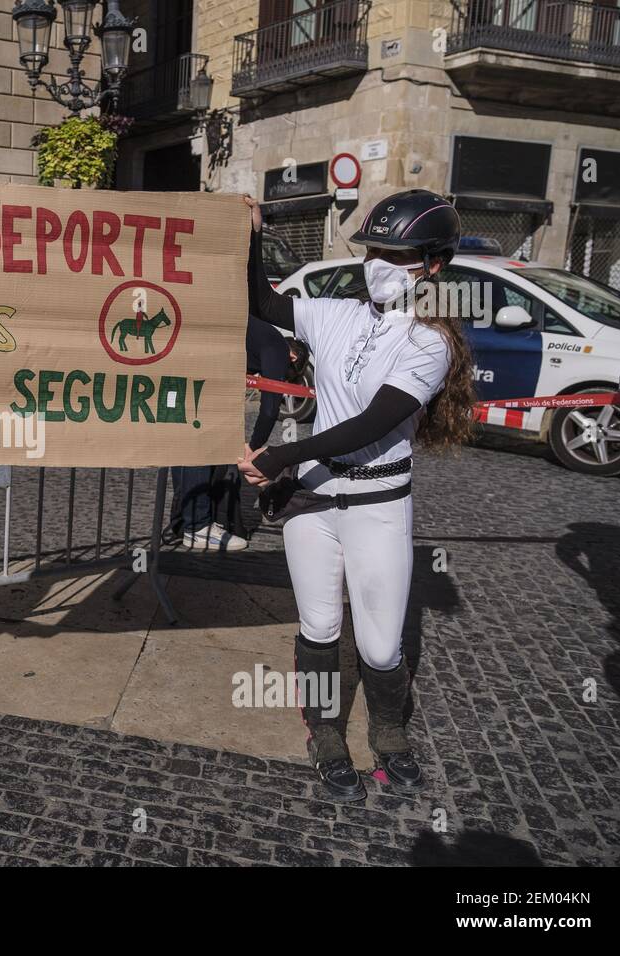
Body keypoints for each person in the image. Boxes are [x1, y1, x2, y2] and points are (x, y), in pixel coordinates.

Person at [237, 189, 475, 802]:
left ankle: (390, 732)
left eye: (395, 255)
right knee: (318, 626)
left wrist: (281, 455)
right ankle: (324, 732)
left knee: (380, 642)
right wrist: (251, 235)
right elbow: (263, 302)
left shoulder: (430, 341)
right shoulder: (336, 312)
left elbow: (374, 421)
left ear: (433, 267)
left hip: (377, 504)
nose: (377, 264)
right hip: (313, 501)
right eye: (373, 250)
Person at [172, 316, 290, 551]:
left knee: (185, 446)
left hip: (187, 359)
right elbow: (269, 408)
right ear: (293, 357)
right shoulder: (278, 348)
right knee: (201, 444)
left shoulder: (257, 334)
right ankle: (197, 526)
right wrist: (253, 445)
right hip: (200, 370)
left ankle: (184, 520)